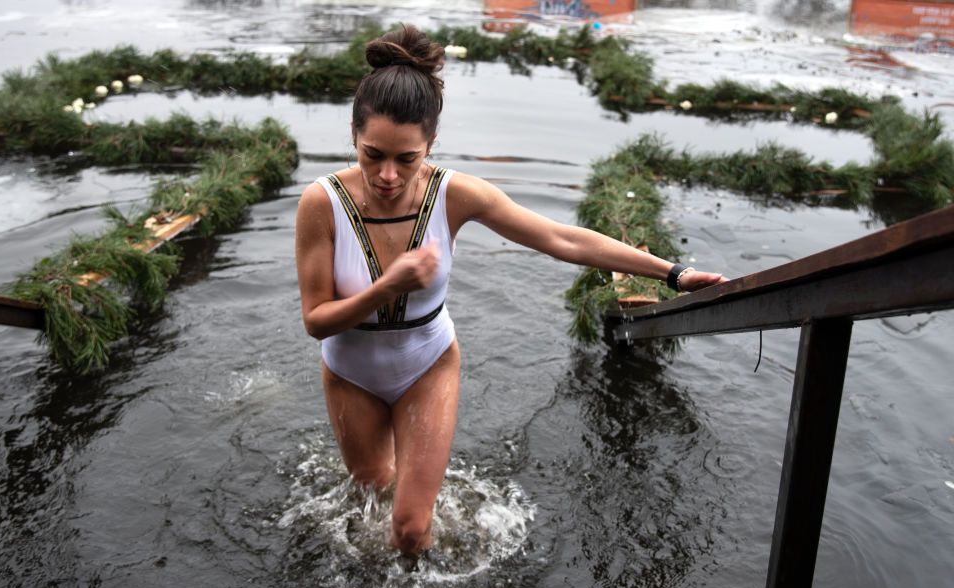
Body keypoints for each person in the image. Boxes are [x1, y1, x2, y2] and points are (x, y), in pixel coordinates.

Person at [295, 25, 726, 555]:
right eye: (372, 154)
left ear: (430, 145)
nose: (387, 174)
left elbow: (561, 238)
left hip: (424, 367)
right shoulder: (323, 203)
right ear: (354, 138)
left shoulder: (454, 195)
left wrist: (674, 274)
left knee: (409, 529)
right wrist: (389, 287)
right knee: (373, 494)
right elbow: (316, 319)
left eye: (406, 159)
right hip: (350, 374)